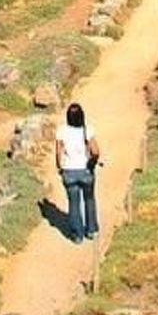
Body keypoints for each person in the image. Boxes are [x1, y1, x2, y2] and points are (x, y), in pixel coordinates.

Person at [56, 101, 100, 243]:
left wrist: (59, 167)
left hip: (69, 171)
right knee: (89, 199)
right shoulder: (87, 130)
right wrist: (92, 162)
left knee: (73, 203)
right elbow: (96, 151)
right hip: (85, 170)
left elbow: (58, 152)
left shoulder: (61, 131)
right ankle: (91, 230)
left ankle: (77, 234)